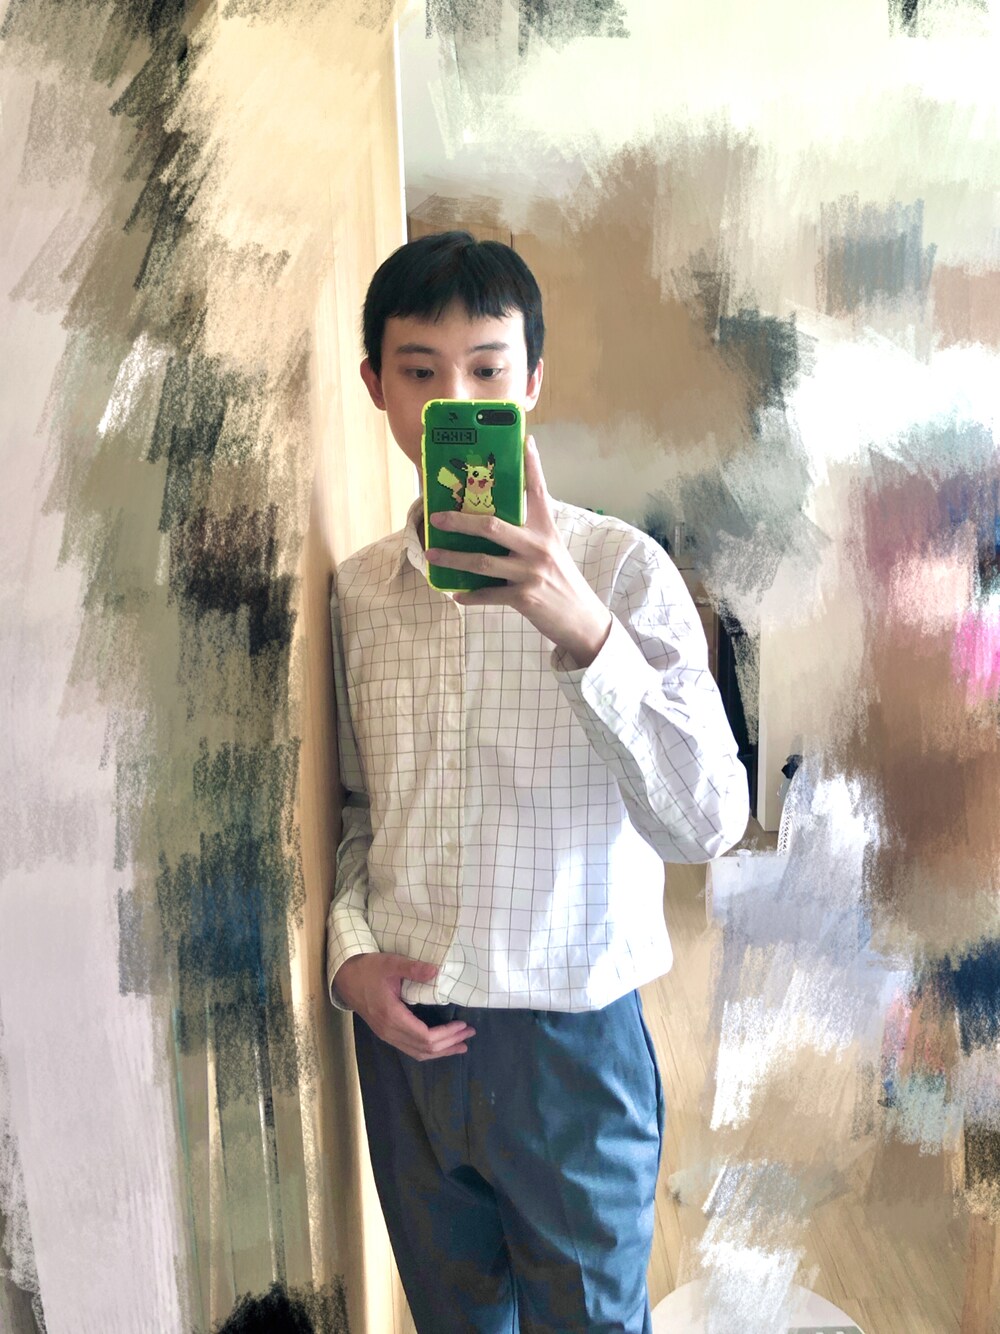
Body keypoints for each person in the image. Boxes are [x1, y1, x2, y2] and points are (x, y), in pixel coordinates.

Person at [326, 230, 749, 1333]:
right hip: (405, 1037)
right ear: (375, 386)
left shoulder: (621, 570)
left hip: (570, 1040)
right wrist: (349, 956)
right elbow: (360, 808)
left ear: (531, 383)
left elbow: (708, 820)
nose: (455, 399)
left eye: (487, 369)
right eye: (420, 370)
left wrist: (583, 629)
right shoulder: (359, 594)